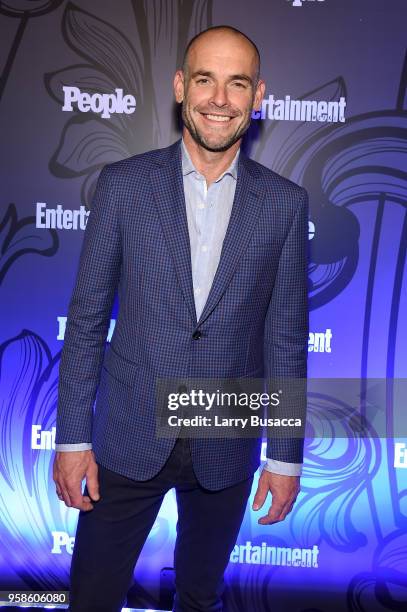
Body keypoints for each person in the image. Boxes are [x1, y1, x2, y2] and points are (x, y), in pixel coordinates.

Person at [53, 25, 309, 612]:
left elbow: (287, 338)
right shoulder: (123, 186)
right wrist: (71, 438)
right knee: (91, 598)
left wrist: (284, 454)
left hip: (228, 441)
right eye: (205, 79)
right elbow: (87, 318)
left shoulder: (285, 204)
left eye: (237, 83)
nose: (220, 98)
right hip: (127, 438)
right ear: (179, 87)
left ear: (258, 96)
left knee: (199, 597)